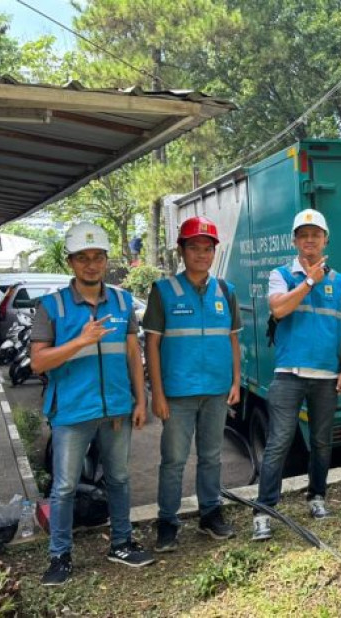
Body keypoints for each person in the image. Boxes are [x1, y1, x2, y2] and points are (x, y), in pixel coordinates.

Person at [31, 222, 152, 586]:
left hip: (117, 408)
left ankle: (121, 543)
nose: (91, 264)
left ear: (105, 260)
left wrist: (140, 398)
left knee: (119, 478)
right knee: (65, 486)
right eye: (82, 258)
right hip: (72, 412)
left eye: (97, 256)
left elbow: (133, 352)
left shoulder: (122, 301)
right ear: (71, 262)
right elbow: (38, 362)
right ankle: (60, 556)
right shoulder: (51, 306)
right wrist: (80, 342)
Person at [252, 209, 341, 541]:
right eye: (303, 235)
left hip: (326, 376)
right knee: (278, 444)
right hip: (289, 374)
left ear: (325, 239)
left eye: (316, 234)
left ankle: (317, 497)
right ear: (295, 241)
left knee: (322, 443)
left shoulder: (340, 281)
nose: (310, 240)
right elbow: (279, 309)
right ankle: (264, 512)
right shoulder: (281, 274)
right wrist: (310, 281)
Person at [144, 216, 242, 552]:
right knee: (173, 460)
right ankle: (168, 523)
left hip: (216, 390)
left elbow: (232, 341)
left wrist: (236, 381)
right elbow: (151, 345)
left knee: (212, 457)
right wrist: (156, 393)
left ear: (214, 253)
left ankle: (210, 515)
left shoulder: (226, 291)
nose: (201, 254)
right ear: (181, 251)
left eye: (207, 248)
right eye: (194, 248)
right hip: (177, 394)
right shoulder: (163, 291)